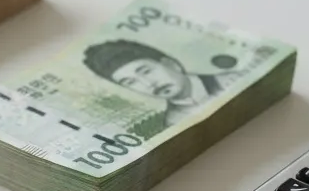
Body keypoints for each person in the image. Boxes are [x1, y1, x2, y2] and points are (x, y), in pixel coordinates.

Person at [82, 39, 245, 126]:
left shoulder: (235, 80)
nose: (148, 84)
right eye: (130, 82)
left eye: (146, 71)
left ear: (170, 64)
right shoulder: (173, 122)